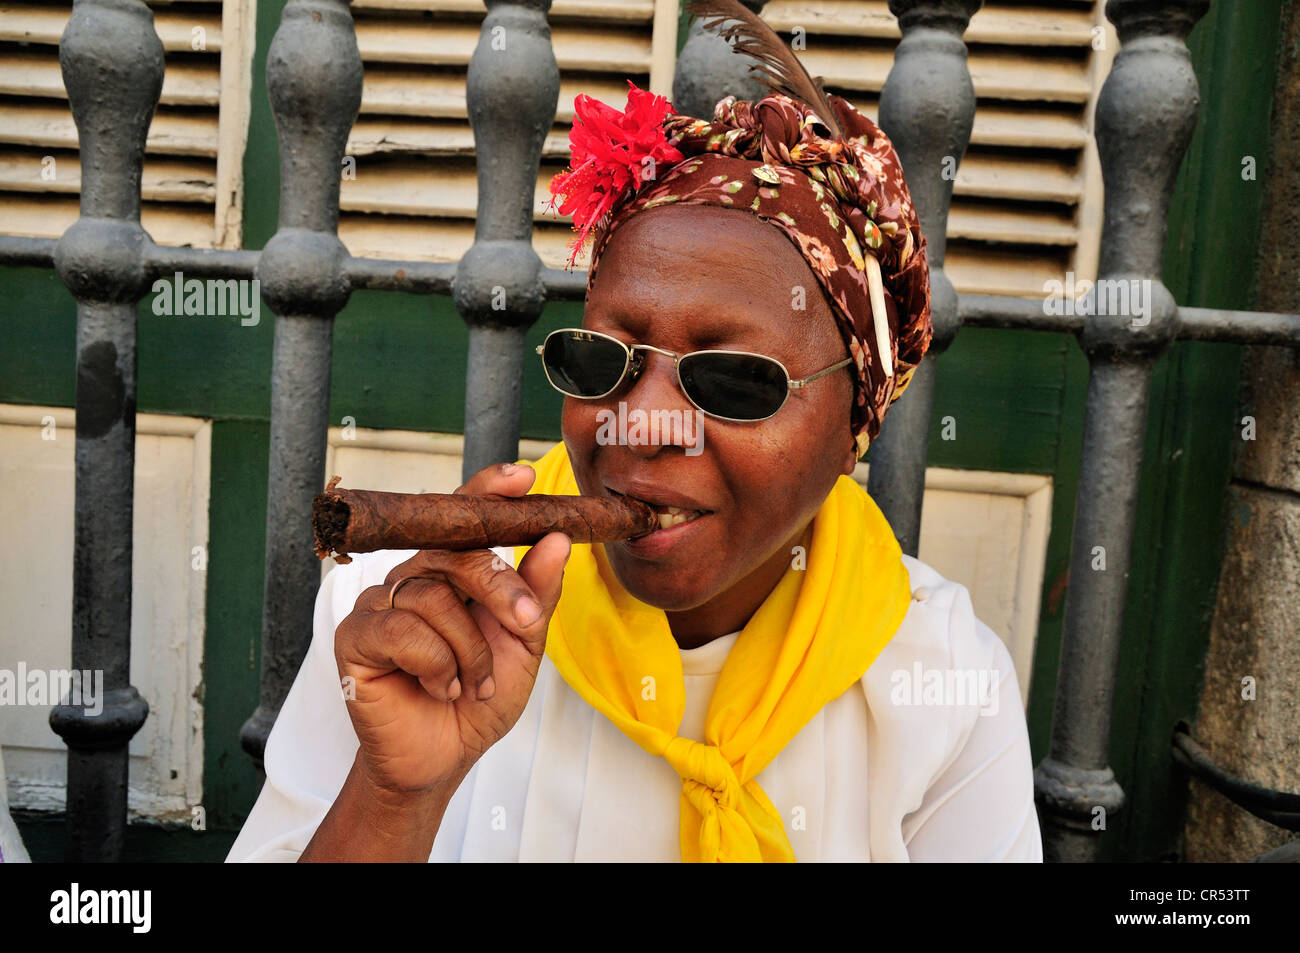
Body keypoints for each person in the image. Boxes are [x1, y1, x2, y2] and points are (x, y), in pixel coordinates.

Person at [227, 78, 1042, 863]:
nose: (640, 423)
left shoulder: (944, 685)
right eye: (603, 359)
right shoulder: (407, 615)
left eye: (731, 379)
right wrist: (392, 796)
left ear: (851, 431)